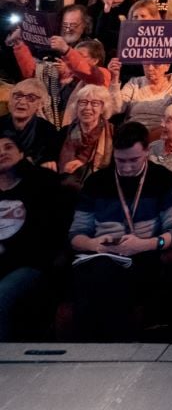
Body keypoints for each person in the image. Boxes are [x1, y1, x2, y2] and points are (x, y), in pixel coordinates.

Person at [68, 121, 172, 341]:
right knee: (97, 273)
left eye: (134, 160)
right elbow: (76, 234)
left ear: (147, 151)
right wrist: (93, 244)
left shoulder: (164, 181)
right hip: (100, 254)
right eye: (120, 160)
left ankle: (101, 350)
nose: (126, 168)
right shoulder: (96, 182)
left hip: (144, 255)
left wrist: (146, 244)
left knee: (105, 281)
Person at [0, 132, 66, 340]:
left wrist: (5, 249)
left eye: (8, 147)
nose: (1, 153)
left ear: (21, 152)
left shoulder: (41, 183)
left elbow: (45, 237)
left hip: (30, 264)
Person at [108, 59, 172, 129]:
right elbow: (116, 108)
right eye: (147, 64)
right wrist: (114, 78)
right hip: (133, 132)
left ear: (167, 66)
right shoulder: (135, 82)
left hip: (164, 131)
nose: (150, 68)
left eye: (156, 65)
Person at [0, 80, 60, 167]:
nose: (22, 102)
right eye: (18, 96)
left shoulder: (48, 131)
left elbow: (48, 163)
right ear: (10, 101)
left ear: (40, 104)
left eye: (31, 98)